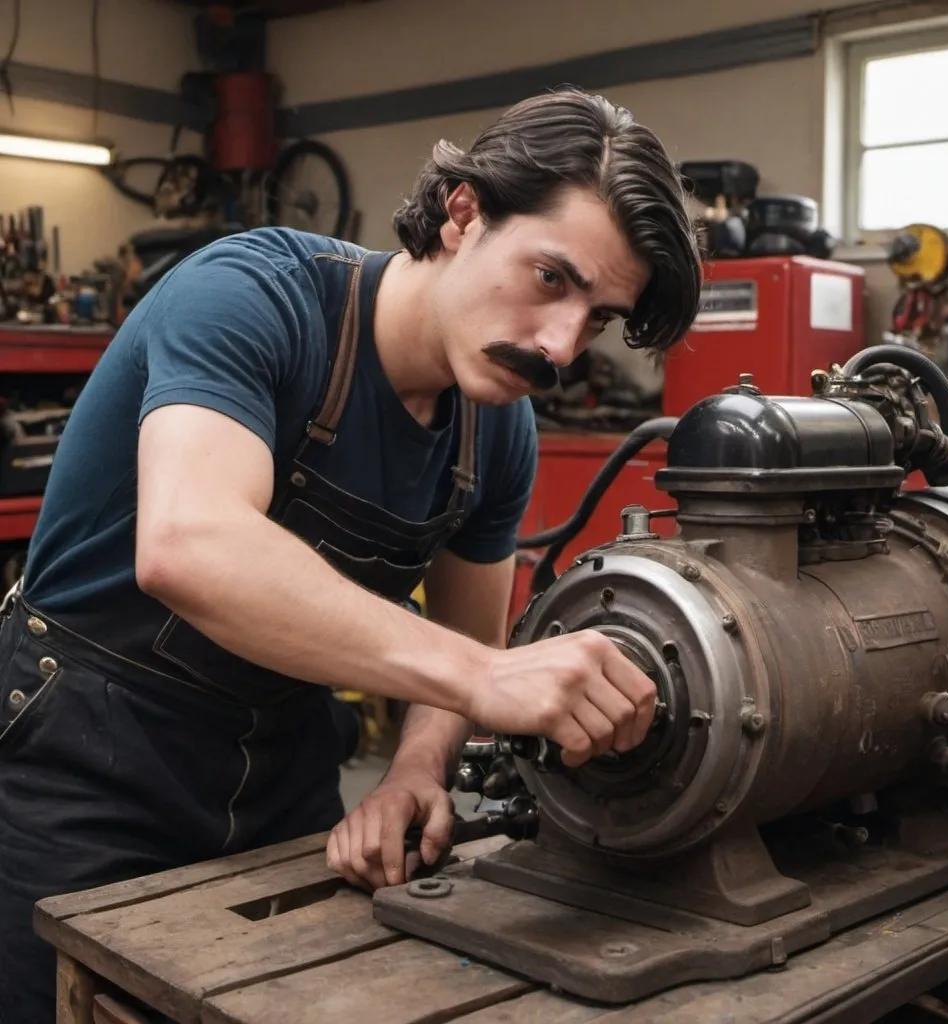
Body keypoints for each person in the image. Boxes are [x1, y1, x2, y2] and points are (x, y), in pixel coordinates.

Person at [0, 87, 701, 1022]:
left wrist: (415, 773)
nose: (562, 346)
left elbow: (458, 641)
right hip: (83, 758)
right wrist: (482, 677)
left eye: (598, 318)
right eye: (551, 280)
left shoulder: (496, 431)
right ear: (462, 214)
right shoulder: (252, 295)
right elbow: (190, 544)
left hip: (284, 770)